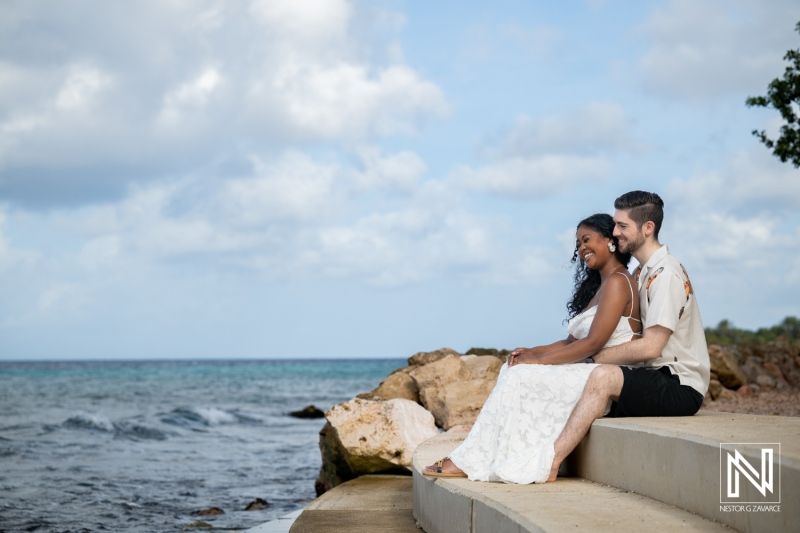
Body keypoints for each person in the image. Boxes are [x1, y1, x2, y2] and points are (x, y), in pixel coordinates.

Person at [423, 212, 642, 483]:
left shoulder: (620, 281)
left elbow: (593, 343)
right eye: (578, 245)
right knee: (513, 366)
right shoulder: (603, 285)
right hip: (592, 368)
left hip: (609, 376)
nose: (582, 248)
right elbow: (572, 342)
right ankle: (479, 456)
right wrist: (532, 352)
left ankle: (471, 458)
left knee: (522, 375)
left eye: (586, 240)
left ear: (609, 239)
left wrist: (539, 363)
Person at [540, 191, 710, 482]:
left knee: (601, 376)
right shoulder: (642, 272)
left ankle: (551, 460)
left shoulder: (665, 274)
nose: (615, 232)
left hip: (679, 384)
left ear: (647, 228)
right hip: (652, 376)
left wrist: (593, 356)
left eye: (622, 226)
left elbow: (652, 346)